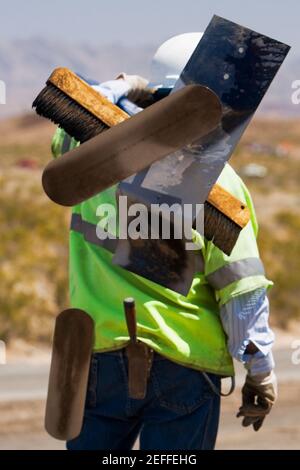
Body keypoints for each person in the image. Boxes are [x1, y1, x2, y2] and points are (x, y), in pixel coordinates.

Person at [51, 33, 277, 450]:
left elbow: (67, 118)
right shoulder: (221, 185)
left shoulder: (89, 160)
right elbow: (240, 289)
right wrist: (260, 367)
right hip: (184, 362)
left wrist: (121, 86)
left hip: (97, 358)